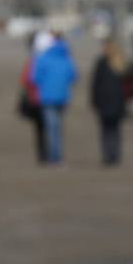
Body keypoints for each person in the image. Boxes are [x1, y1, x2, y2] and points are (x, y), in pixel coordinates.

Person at [32, 31, 78, 165]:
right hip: (63, 96)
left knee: (51, 127)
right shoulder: (66, 58)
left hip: (47, 97)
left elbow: (35, 78)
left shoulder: (43, 58)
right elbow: (73, 76)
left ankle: (55, 157)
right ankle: (58, 155)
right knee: (58, 126)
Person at [90, 38, 133, 167]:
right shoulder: (121, 63)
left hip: (106, 101)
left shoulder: (103, 62)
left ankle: (108, 155)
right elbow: (132, 83)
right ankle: (114, 155)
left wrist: (94, 101)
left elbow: (95, 84)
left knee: (107, 130)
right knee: (114, 130)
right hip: (117, 102)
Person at [17, 32, 49, 164]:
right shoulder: (55, 57)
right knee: (51, 128)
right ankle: (51, 155)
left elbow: (25, 80)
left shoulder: (34, 60)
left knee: (41, 130)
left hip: (37, 99)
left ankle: (43, 155)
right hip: (48, 99)